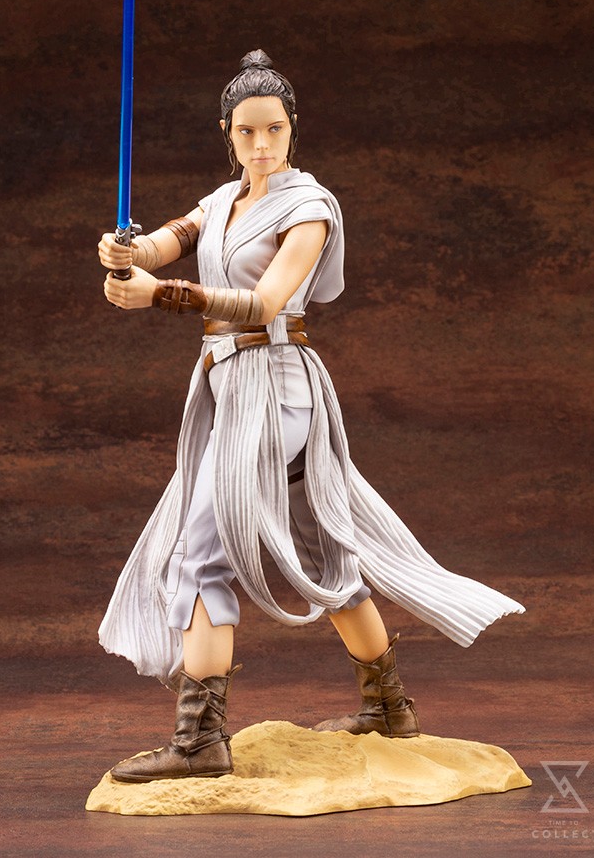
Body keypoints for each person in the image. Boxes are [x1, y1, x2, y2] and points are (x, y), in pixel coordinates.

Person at [97, 50, 525, 783]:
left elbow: (265, 303)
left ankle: (200, 742)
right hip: (235, 387)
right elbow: (171, 239)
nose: (261, 143)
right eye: (246, 131)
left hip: (276, 388)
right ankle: (388, 707)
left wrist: (160, 295)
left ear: (293, 127)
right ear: (227, 134)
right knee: (325, 553)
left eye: (274, 129)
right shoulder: (220, 201)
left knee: (201, 552)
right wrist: (125, 249)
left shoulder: (309, 207)